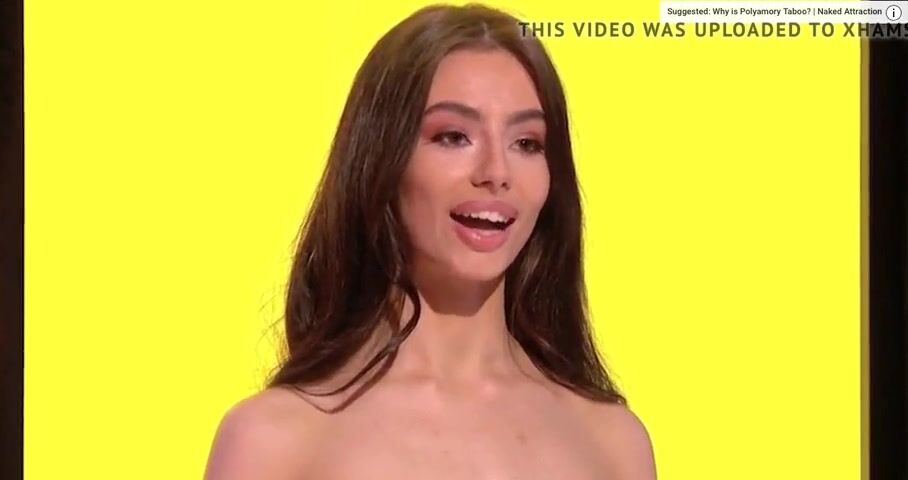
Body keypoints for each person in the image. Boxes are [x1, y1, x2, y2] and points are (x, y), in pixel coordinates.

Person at [204, 3, 656, 479]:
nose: (496, 173)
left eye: (527, 143)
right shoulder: (274, 440)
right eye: (453, 136)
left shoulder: (612, 441)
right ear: (382, 158)